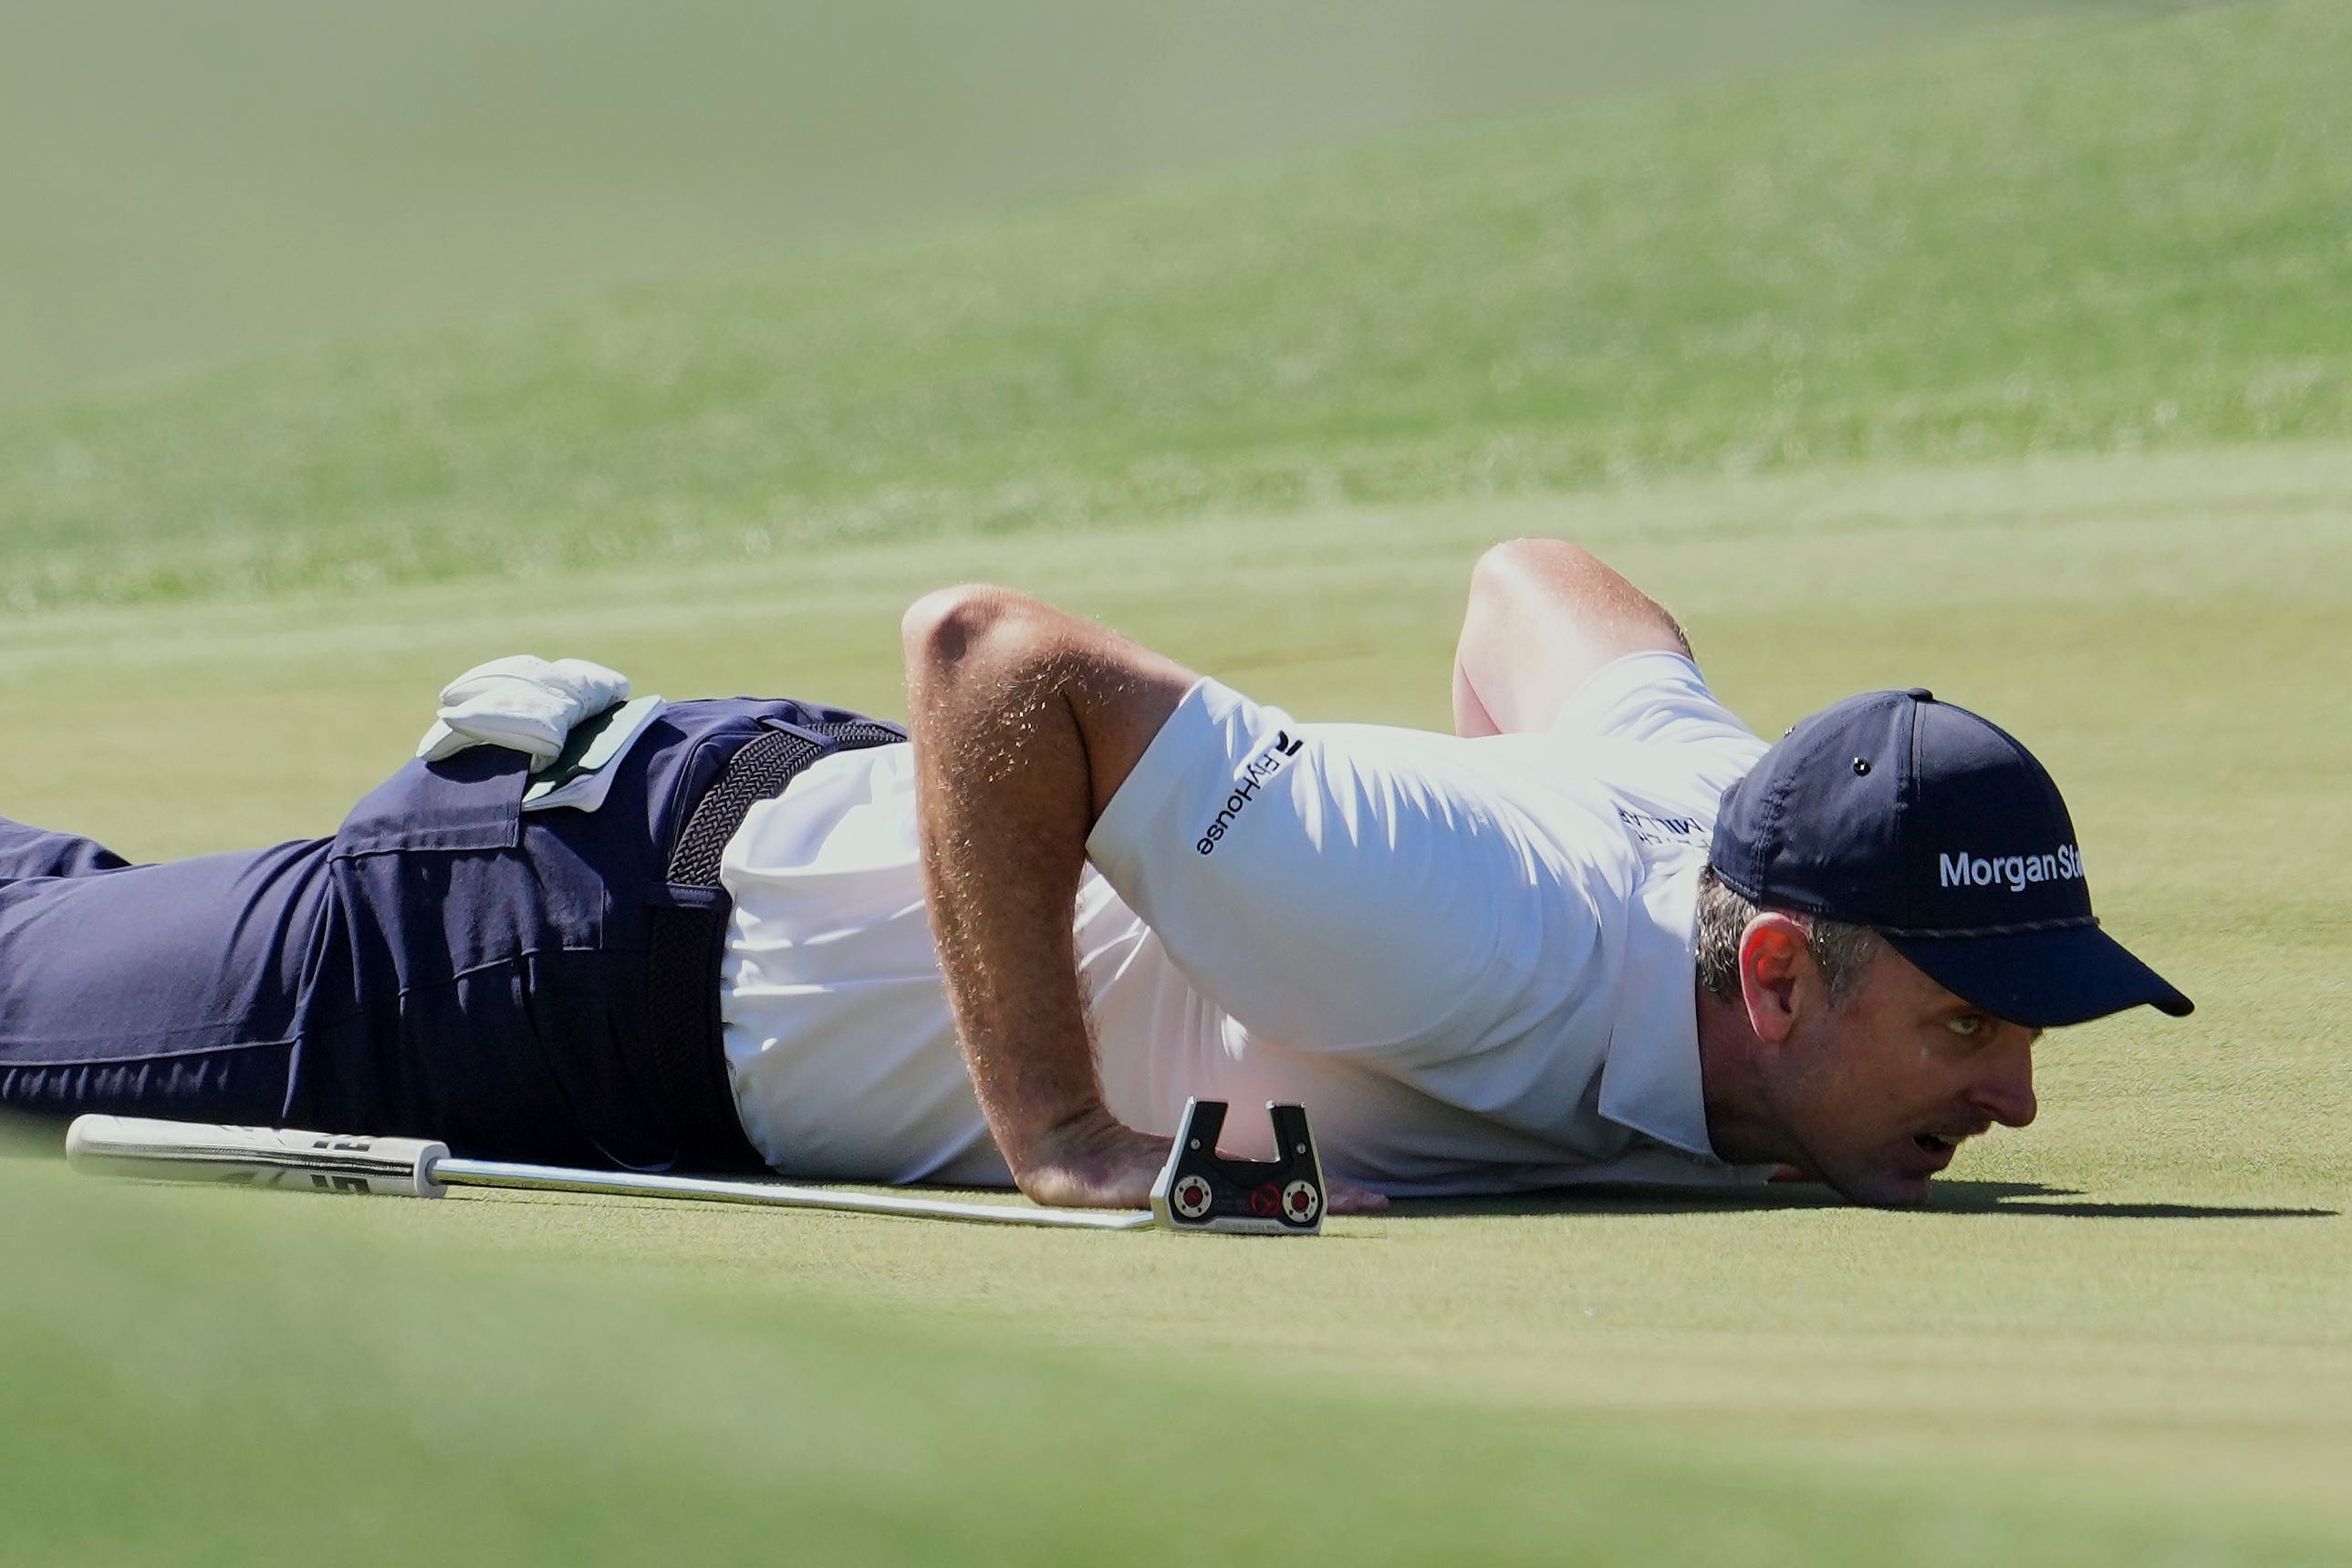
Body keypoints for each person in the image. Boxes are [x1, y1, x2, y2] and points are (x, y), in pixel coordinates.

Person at [0, 540, 2190, 1210]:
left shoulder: (1701, 806)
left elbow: (1537, 588)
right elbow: (991, 660)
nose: (2011, 1098)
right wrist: (1058, 1133)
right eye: (1970, 1025)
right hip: (546, 953)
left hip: (740, 887)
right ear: (1779, 967)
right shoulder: (1465, 917)